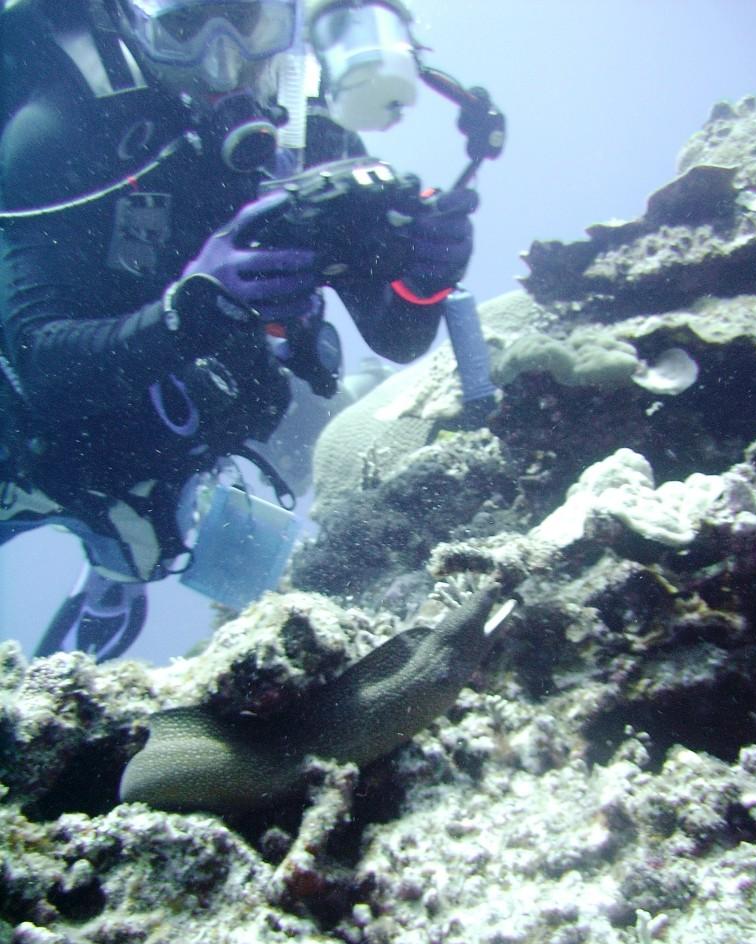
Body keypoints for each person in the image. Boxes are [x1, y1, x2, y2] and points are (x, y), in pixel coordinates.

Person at [0, 0, 478, 661]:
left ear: (288, 22)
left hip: (174, 429)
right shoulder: (62, 127)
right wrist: (188, 313)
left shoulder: (313, 140)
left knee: (257, 437)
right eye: (184, 26)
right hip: (26, 436)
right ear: (139, 28)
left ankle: (117, 561)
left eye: (245, 21)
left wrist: (426, 277)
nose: (221, 59)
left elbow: (397, 335)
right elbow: (39, 368)